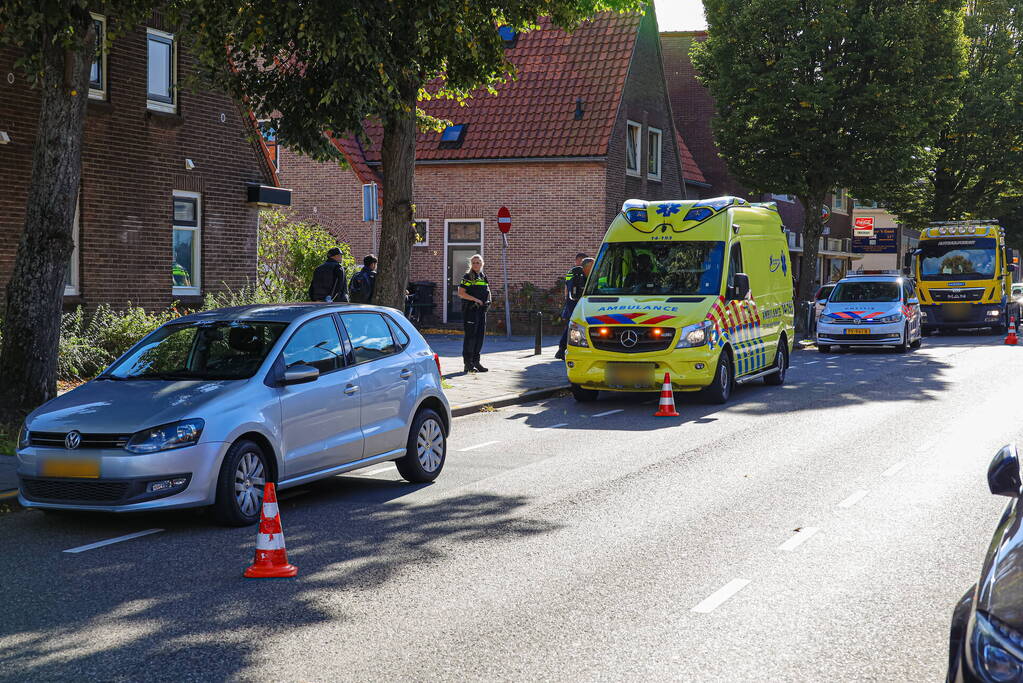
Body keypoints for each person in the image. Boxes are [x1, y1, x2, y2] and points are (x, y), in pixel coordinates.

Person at [457, 254, 491, 373]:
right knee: (470, 337)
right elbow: (461, 293)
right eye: (474, 262)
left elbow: (487, 291)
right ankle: (468, 364)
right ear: (471, 264)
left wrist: (488, 301)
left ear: (482, 264)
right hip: (471, 311)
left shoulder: (483, 276)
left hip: (481, 311)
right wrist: (475, 300)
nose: (476, 264)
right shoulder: (467, 277)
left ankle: (476, 362)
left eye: (478, 262)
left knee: (479, 337)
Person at [556, 257, 594, 360]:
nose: (594, 268)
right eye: (592, 265)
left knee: (572, 325)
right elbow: (569, 289)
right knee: (573, 325)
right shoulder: (576, 274)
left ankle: (562, 349)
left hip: (577, 303)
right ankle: (562, 349)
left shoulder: (579, 273)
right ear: (586, 266)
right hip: (574, 303)